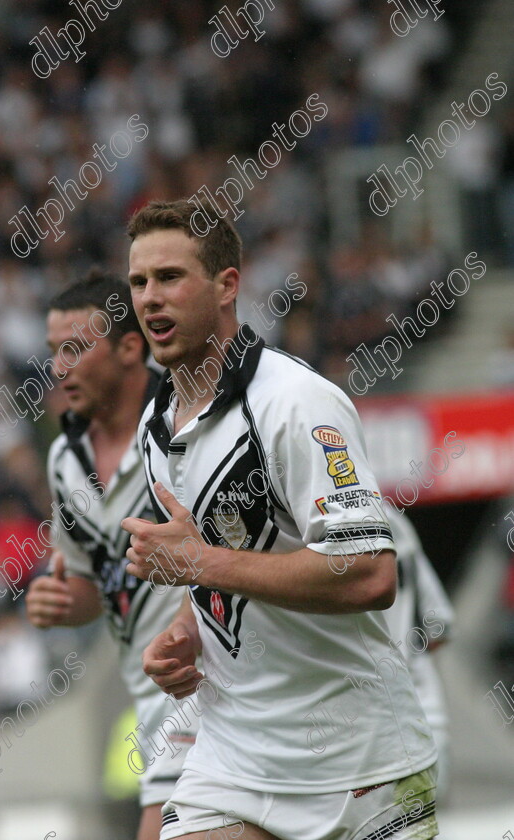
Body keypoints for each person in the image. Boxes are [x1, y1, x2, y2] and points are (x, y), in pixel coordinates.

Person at [121, 200, 439, 840]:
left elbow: (372, 576)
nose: (150, 298)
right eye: (138, 282)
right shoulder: (155, 426)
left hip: (362, 766)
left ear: (227, 284)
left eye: (171, 277)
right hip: (236, 758)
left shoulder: (299, 403)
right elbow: (219, 573)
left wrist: (198, 564)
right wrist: (186, 632)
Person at [25, 270, 195, 840]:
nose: (58, 369)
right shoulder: (64, 460)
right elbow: (90, 587)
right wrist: (58, 601)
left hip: (213, 688)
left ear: (129, 348)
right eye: (53, 352)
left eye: (74, 349)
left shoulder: (187, 427)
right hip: (147, 705)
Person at [382, 509, 453, 801]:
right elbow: (439, 628)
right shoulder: (394, 519)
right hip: (423, 713)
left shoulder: (297, 534)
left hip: (357, 728)